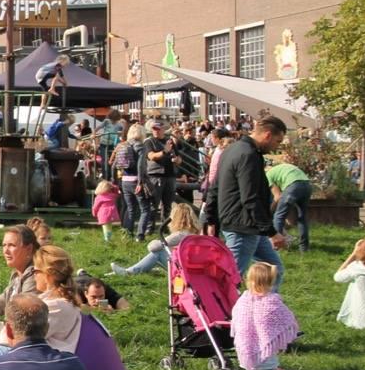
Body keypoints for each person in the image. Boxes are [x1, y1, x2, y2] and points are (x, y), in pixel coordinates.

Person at [214, 115, 289, 291]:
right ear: (267, 135)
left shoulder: (232, 149)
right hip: (242, 226)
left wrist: (210, 219)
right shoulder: (248, 155)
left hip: (248, 225)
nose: (275, 148)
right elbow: (250, 197)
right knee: (231, 279)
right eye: (277, 142)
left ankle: (264, 310)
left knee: (274, 270)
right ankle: (231, 314)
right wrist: (272, 233)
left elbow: (215, 186)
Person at [232, 261, 298, 370]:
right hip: (265, 349)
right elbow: (287, 319)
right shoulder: (272, 301)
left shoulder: (243, 300)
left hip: (246, 347)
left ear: (248, 280)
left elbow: (236, 318)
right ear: (270, 282)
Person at [110, 202, 200, 276]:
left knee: (158, 253)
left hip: (182, 269)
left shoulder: (180, 235)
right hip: (191, 267)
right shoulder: (195, 233)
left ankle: (128, 272)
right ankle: (140, 269)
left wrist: (155, 241)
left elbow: (152, 247)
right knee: (164, 252)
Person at [137, 118, 179, 239]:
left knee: (168, 204)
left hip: (170, 176)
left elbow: (179, 158)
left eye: (158, 129)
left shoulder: (169, 141)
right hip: (156, 176)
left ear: (163, 130)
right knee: (153, 204)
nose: (155, 131)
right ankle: (150, 229)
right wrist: (165, 151)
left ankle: (165, 228)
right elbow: (152, 156)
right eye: (153, 129)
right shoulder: (149, 142)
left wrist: (177, 160)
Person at [267, 160, 312, 252]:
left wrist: (269, 212)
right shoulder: (281, 168)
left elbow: (277, 196)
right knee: (302, 218)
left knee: (278, 216)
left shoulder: (267, 175)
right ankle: (304, 248)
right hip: (307, 185)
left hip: (293, 186)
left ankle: (276, 248)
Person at [97, 109, 123, 181]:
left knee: (112, 161)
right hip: (104, 143)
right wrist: (93, 134)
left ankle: (113, 177)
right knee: (104, 161)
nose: (113, 121)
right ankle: (105, 178)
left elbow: (121, 134)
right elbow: (98, 128)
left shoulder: (119, 125)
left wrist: (120, 138)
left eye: (114, 120)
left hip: (113, 144)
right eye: (112, 119)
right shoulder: (106, 121)